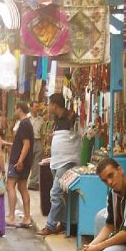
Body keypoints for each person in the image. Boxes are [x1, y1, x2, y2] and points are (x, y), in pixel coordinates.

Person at [36, 94, 80, 237]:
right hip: (57, 161)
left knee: (56, 193)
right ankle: (65, 223)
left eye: (49, 104)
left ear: (54, 105)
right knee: (63, 195)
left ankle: (51, 225)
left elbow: (77, 136)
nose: (47, 107)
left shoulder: (71, 118)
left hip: (67, 162)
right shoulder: (57, 120)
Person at [6, 102, 33, 228]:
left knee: (10, 185)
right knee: (22, 187)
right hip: (24, 161)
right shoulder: (27, 123)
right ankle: (27, 217)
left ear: (19, 109)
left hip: (18, 161)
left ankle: (11, 216)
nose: (14, 112)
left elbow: (26, 144)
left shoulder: (24, 124)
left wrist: (20, 160)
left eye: (16, 109)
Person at [28, 101, 44, 190]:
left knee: (37, 163)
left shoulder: (41, 120)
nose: (37, 108)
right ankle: (23, 180)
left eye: (38, 107)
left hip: (37, 141)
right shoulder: (26, 118)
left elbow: (42, 133)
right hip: (28, 142)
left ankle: (33, 183)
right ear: (31, 107)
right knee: (27, 162)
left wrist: (42, 144)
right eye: (35, 106)